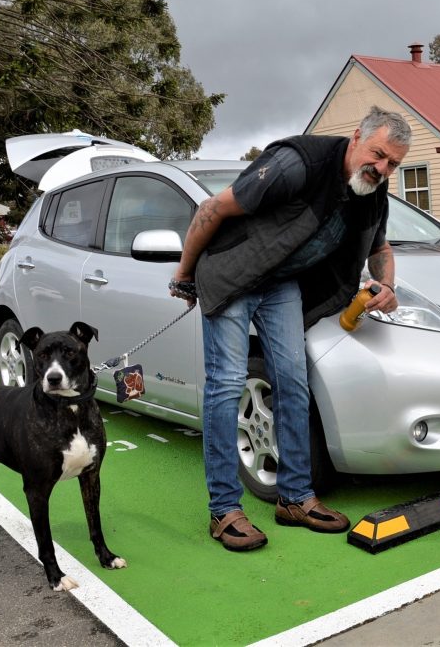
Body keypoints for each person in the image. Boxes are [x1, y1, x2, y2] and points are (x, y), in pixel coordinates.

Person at [170, 106, 411, 551]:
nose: (381, 168)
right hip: (232, 274)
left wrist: (388, 285)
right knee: (226, 384)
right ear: (356, 136)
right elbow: (212, 207)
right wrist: (184, 276)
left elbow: (380, 247)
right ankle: (224, 510)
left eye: (392, 163)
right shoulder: (296, 163)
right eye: (377, 154)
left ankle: (295, 498)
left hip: (282, 285)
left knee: (293, 382)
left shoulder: (373, 193)